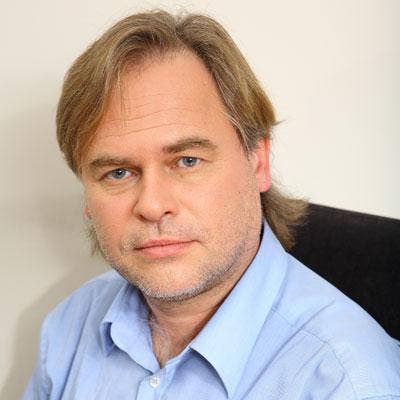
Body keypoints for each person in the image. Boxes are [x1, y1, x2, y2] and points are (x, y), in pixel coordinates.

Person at [23, 10, 400, 400]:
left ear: (258, 162)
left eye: (187, 161)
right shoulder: (69, 327)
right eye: (118, 173)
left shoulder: (348, 383)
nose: (152, 205)